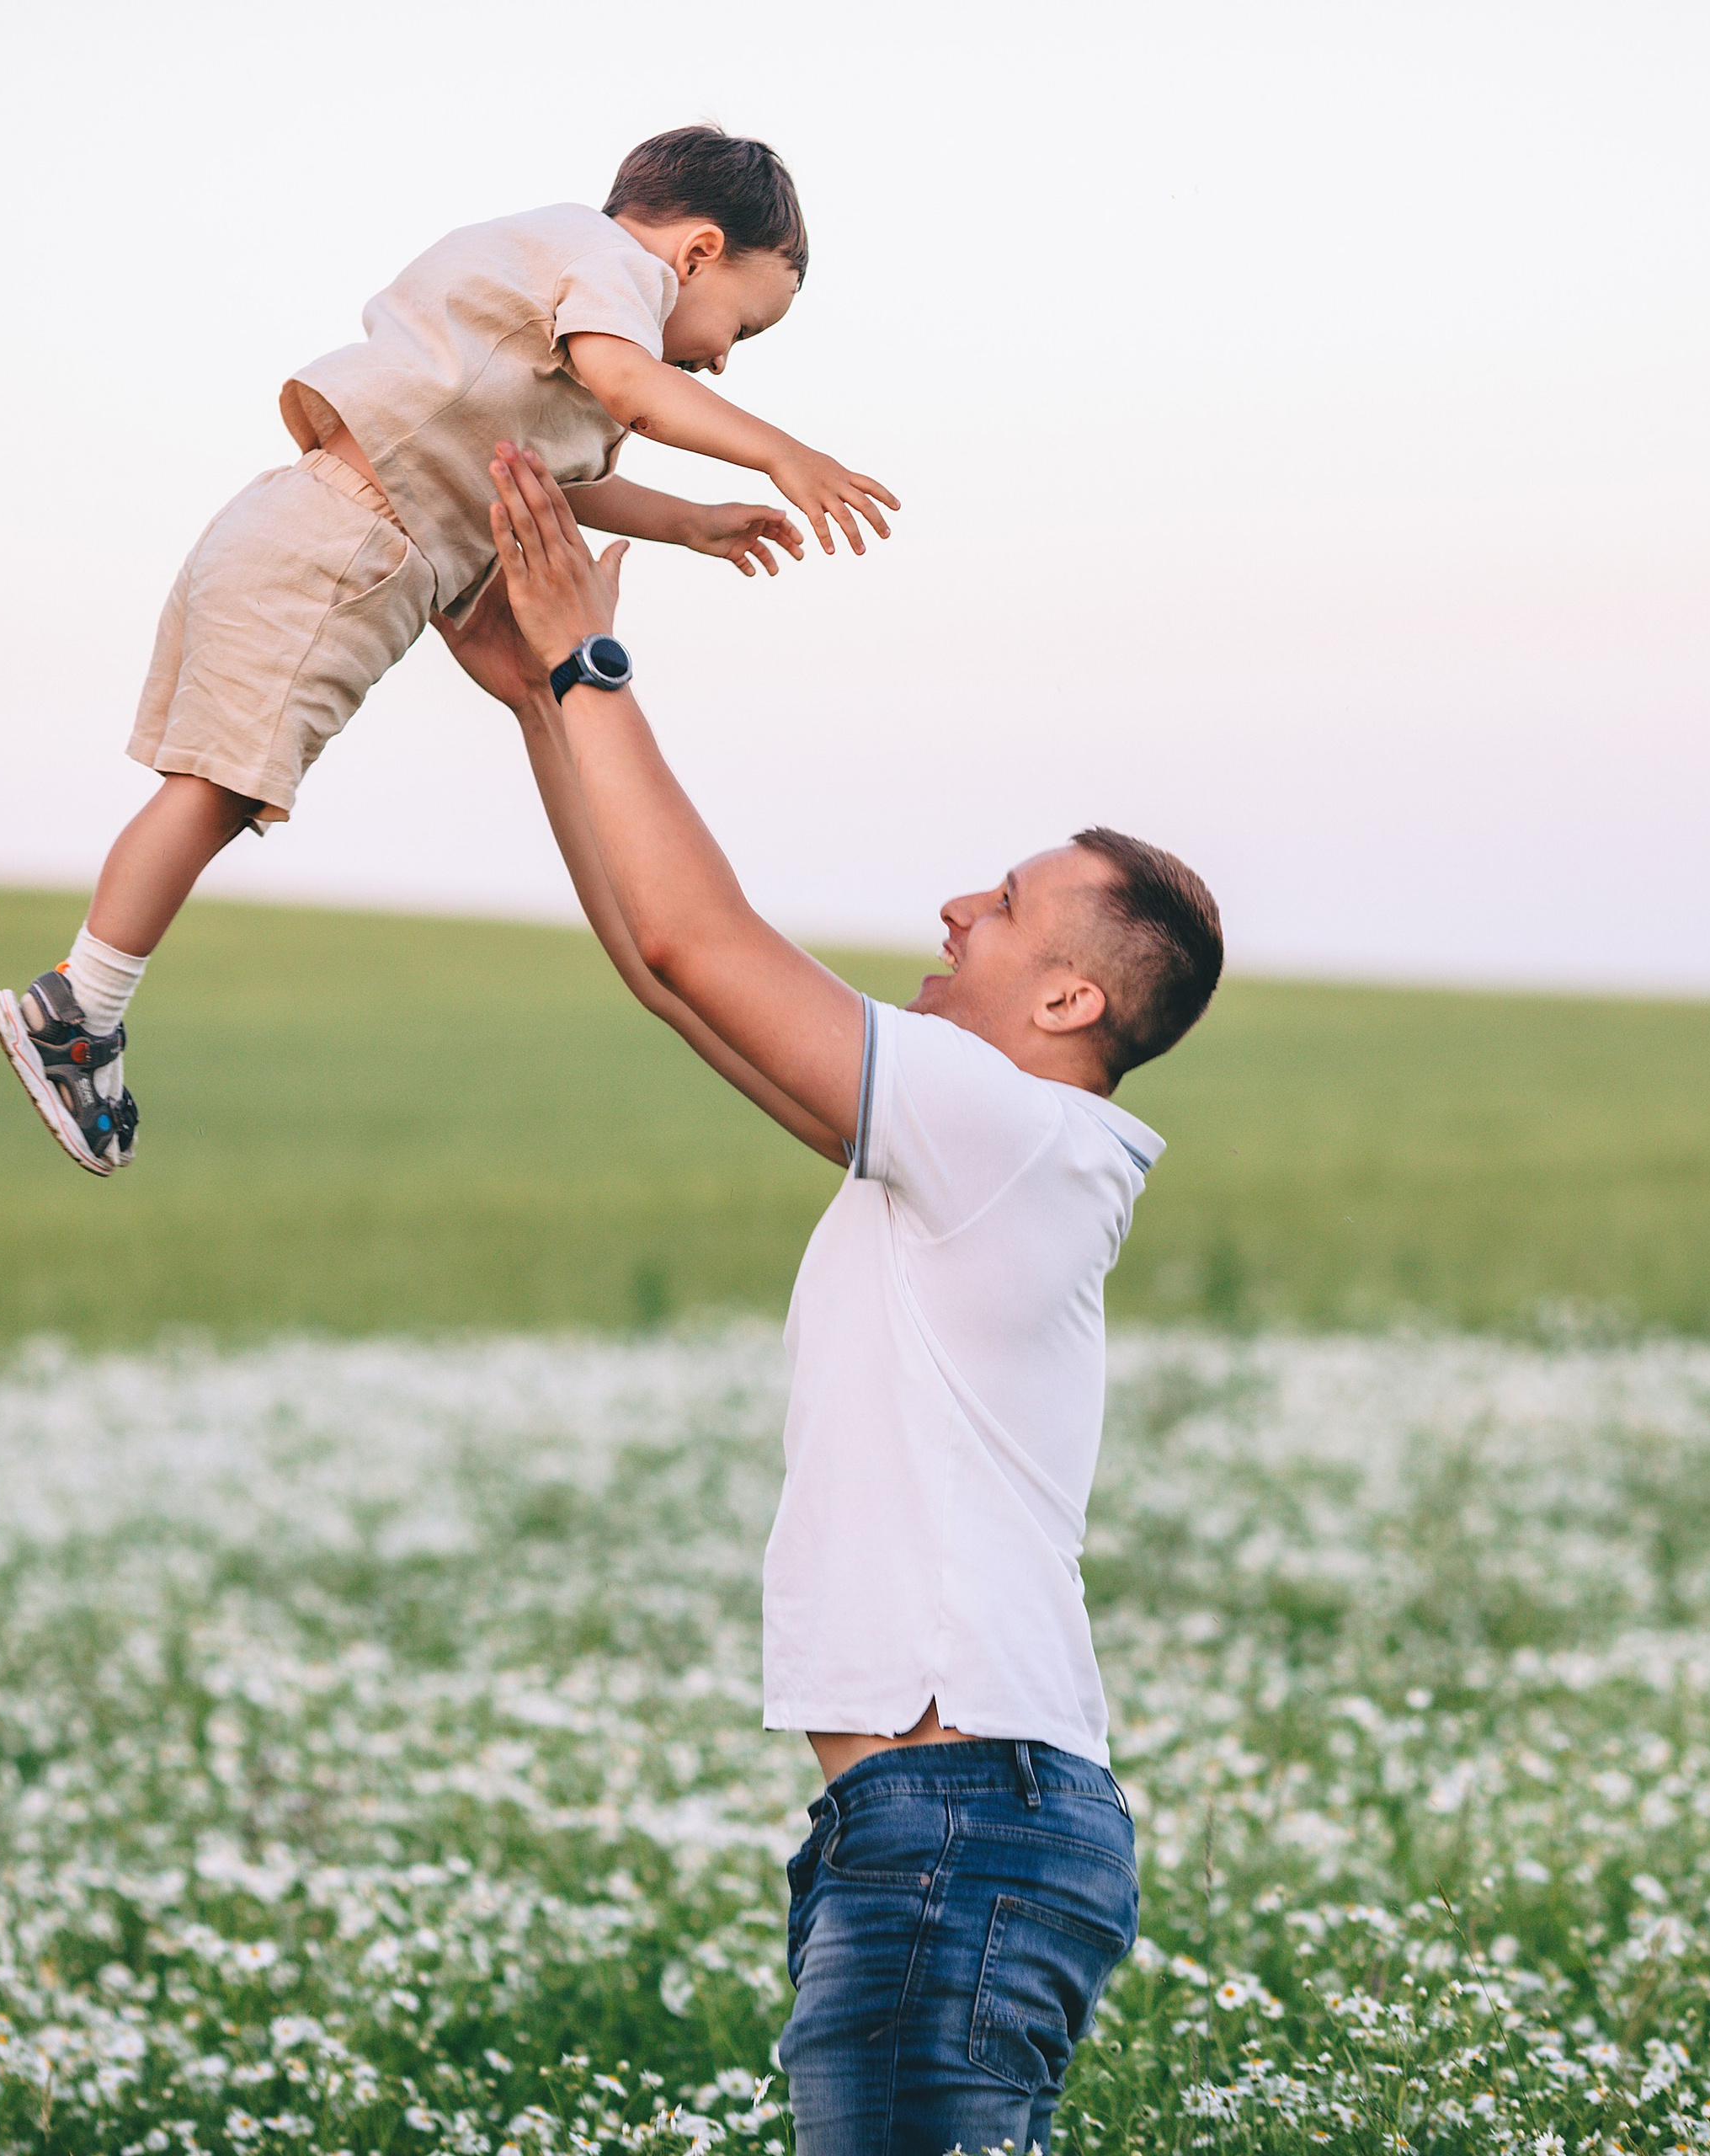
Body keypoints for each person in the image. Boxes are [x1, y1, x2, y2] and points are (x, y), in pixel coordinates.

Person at [440, 440, 1223, 2154]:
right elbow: (671, 977)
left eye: (1002, 902)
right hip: (946, 1821)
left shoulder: (1006, 1128)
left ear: (1072, 994)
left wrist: (593, 666)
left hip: (960, 1822)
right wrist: (535, 710)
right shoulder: (979, 1143)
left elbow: (701, 943)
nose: (951, 900)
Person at [0, 125, 896, 1176]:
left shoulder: (548, 285)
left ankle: (84, 1002)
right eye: (744, 323)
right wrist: (782, 450)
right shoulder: (611, 277)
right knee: (219, 789)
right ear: (694, 253)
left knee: (210, 784)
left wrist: (689, 519)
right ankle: (80, 1006)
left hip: (303, 519)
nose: (724, 357)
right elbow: (635, 383)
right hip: (352, 544)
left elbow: (554, 475)